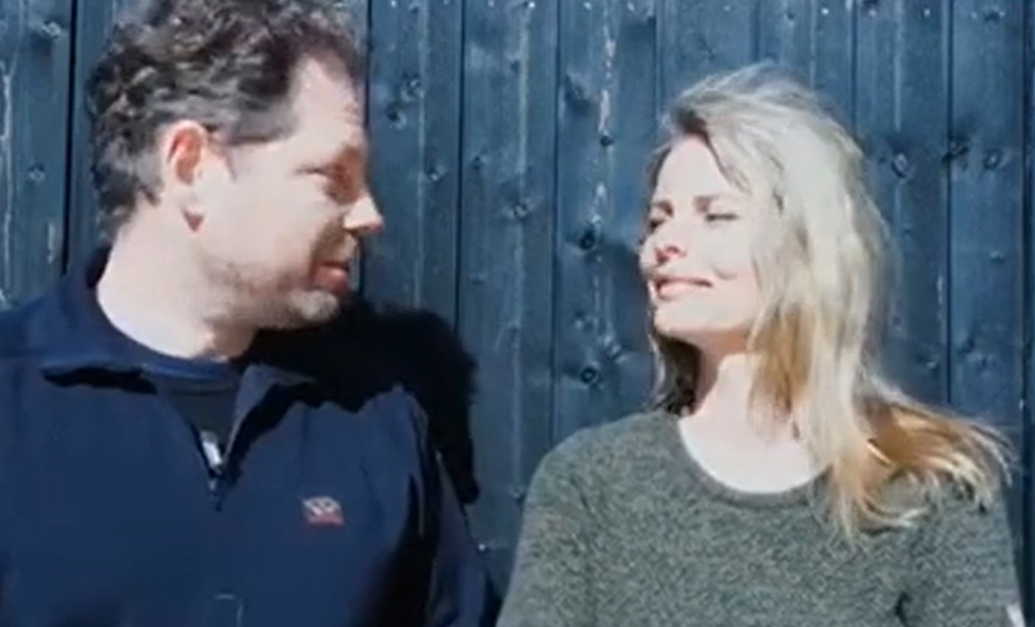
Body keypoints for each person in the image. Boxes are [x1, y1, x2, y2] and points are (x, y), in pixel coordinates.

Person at [0, 0, 496, 625]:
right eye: (332, 177)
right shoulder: (15, 403)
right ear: (190, 165)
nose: (369, 214)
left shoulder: (376, 418)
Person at [496, 63, 1023, 627]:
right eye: (659, 218)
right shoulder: (591, 483)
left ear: (807, 246)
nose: (664, 244)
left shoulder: (926, 485)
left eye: (715, 215)